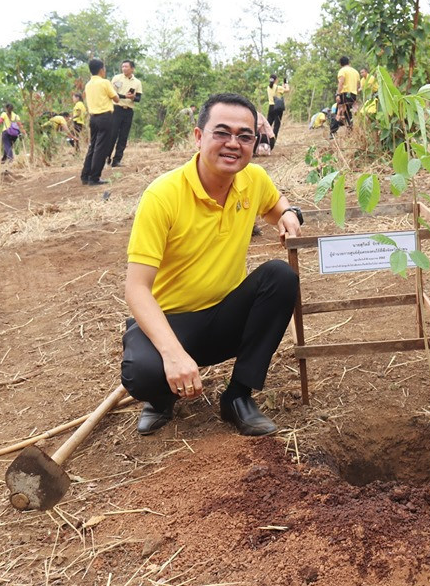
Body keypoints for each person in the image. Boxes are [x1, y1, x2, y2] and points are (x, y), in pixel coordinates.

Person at [120, 93, 302, 437]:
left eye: (245, 136)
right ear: (199, 136)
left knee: (280, 277)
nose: (233, 144)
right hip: (171, 322)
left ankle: (238, 396)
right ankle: (160, 399)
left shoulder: (254, 179)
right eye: (222, 133)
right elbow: (136, 288)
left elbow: (275, 202)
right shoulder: (162, 196)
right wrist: (172, 354)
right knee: (141, 373)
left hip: (224, 316)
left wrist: (289, 213)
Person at [80, 59, 119, 186]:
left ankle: (85, 176)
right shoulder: (105, 82)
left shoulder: (88, 84)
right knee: (100, 148)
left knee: (93, 146)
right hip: (105, 117)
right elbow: (116, 99)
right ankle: (94, 177)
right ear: (101, 70)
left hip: (93, 118)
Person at [107, 60, 142, 167]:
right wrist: (124, 96)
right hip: (117, 109)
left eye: (126, 67)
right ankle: (106, 157)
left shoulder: (137, 82)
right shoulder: (117, 78)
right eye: (123, 66)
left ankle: (117, 160)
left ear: (132, 68)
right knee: (112, 134)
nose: (124, 68)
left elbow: (138, 98)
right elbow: (112, 94)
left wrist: (133, 97)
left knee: (123, 136)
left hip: (128, 111)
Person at [329, 56, 360, 138]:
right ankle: (350, 132)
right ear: (349, 62)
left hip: (344, 94)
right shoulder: (355, 72)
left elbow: (341, 83)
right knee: (349, 114)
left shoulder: (342, 71)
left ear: (340, 64)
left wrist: (338, 94)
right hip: (353, 94)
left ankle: (332, 132)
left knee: (340, 112)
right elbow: (357, 85)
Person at [266, 74, 288, 147]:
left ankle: (265, 140)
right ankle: (272, 143)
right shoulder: (278, 88)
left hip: (271, 107)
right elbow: (287, 90)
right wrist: (286, 84)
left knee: (268, 125)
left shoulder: (268, 87)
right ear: (276, 80)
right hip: (277, 108)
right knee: (276, 126)